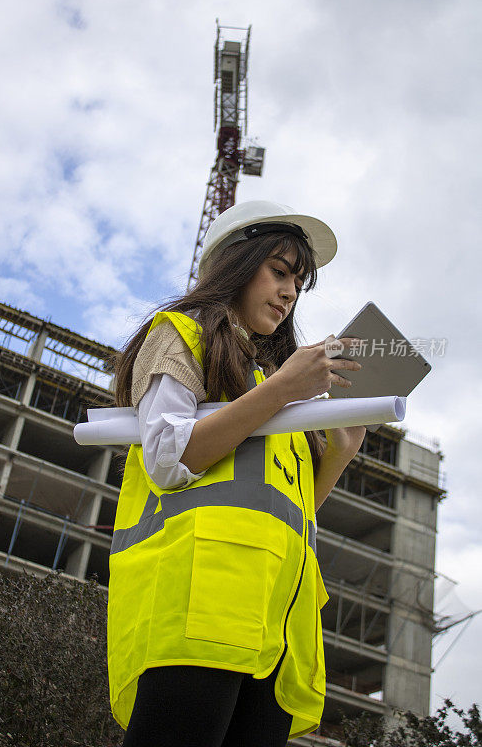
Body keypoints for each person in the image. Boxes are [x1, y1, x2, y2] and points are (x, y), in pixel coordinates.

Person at [108, 200, 366, 747]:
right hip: (200, 612)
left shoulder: (272, 378)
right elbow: (167, 458)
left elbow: (289, 513)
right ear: (235, 264)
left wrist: (340, 453)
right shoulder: (182, 333)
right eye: (279, 271)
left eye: (299, 281)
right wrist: (283, 390)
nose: (291, 292)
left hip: (276, 628)